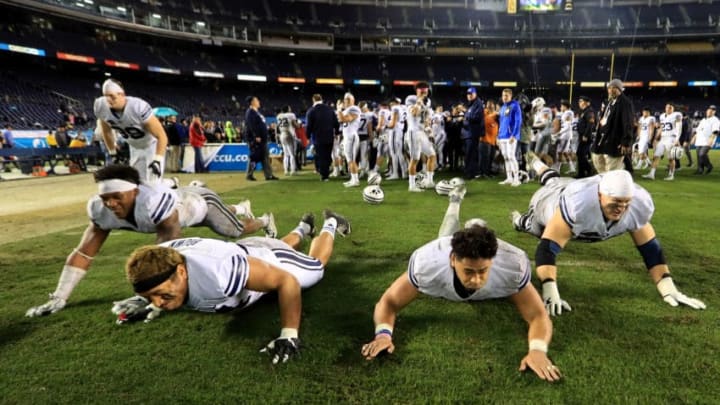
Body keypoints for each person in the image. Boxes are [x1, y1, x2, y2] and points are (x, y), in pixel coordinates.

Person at [361, 184, 561, 382]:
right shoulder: (428, 262)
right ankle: (454, 202)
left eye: (483, 271)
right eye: (468, 271)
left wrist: (537, 351)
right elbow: (388, 302)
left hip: (492, 260)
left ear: (492, 260)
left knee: (478, 232)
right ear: (452, 259)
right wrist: (383, 335)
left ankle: (476, 226)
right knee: (446, 236)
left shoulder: (512, 264)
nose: (476, 280)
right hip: (443, 249)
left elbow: (537, 315)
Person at [25, 164, 278, 317]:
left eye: (117, 197)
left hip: (199, 203)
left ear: (134, 191)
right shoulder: (100, 209)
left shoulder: (152, 202)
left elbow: (167, 251)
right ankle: (236, 206)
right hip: (180, 205)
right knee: (225, 223)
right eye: (106, 198)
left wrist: (146, 294)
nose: (111, 204)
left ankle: (264, 221)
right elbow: (83, 253)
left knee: (234, 231)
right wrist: (60, 296)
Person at [123, 209, 352, 364]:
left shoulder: (220, 271)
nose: (158, 302)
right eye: (149, 296)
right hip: (246, 251)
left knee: (315, 266)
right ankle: (302, 228)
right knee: (275, 247)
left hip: (270, 259)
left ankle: (331, 222)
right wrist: (146, 301)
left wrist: (289, 334)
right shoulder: (162, 261)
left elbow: (286, 280)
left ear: (181, 272)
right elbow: (155, 273)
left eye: (159, 295)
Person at [511, 156, 706, 316]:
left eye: (625, 202)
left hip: (574, 188)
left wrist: (667, 286)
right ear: (599, 196)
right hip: (548, 201)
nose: (621, 208)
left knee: (554, 179)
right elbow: (548, 248)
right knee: (538, 224)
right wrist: (549, 287)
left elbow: (651, 249)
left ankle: (536, 163)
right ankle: (523, 215)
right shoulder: (578, 205)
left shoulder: (637, 204)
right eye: (615, 202)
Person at [93, 79, 170, 184]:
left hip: (152, 145)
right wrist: (113, 152)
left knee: (153, 184)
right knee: (136, 183)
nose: (109, 100)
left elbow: (162, 136)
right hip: (134, 146)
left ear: (122, 94)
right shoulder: (101, 106)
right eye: (106, 96)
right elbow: (106, 131)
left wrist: (157, 159)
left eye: (112, 96)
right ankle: (170, 183)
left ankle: (169, 184)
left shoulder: (138, 107)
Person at [591, 79, 634, 173]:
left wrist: (626, 141)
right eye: (609, 88)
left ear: (619, 89)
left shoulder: (625, 103)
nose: (610, 90)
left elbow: (628, 123)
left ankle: (614, 185)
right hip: (602, 139)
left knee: (612, 169)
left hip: (614, 140)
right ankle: (604, 183)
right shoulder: (609, 102)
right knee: (597, 161)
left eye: (613, 88)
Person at [405, 81, 437, 191]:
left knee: (432, 155)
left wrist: (430, 132)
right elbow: (414, 113)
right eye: (421, 89)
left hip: (422, 132)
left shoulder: (428, 102)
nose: (424, 91)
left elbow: (426, 120)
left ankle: (429, 181)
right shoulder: (411, 99)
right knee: (415, 159)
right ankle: (412, 185)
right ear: (417, 90)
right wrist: (419, 101)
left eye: (426, 89)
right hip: (413, 131)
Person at [643, 103, 683, 181]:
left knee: (671, 158)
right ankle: (652, 174)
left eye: (670, 107)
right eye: (667, 107)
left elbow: (679, 128)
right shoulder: (662, 116)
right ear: (665, 108)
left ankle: (671, 175)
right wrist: (657, 137)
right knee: (656, 156)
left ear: (673, 109)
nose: (668, 109)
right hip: (663, 138)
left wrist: (677, 139)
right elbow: (662, 127)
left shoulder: (676, 115)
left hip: (671, 138)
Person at [245, 96, 279, 181]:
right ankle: (249, 174)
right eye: (257, 100)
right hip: (257, 139)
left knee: (265, 157)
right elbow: (251, 125)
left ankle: (269, 175)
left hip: (262, 139)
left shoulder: (256, 112)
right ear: (252, 102)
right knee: (254, 157)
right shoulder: (250, 112)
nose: (259, 102)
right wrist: (256, 136)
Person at [305, 94, 338, 181]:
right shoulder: (330, 109)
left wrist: (307, 136)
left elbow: (308, 126)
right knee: (327, 156)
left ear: (313, 100)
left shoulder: (311, 111)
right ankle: (326, 171)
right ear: (321, 99)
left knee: (321, 156)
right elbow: (336, 123)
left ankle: (324, 175)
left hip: (318, 137)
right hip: (329, 136)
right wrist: (337, 132)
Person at [497, 88, 523, 186]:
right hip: (502, 136)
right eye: (503, 95)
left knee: (511, 156)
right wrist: (498, 136)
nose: (504, 97)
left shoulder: (515, 106)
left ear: (511, 96)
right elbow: (501, 123)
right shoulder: (503, 107)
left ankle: (516, 179)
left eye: (506, 95)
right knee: (505, 157)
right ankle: (509, 178)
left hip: (511, 136)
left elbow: (518, 121)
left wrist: (514, 135)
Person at [336, 92, 362, 187]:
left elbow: (344, 119)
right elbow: (339, 119)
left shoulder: (354, 108)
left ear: (351, 100)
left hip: (351, 136)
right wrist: (340, 111)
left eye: (347, 99)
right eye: (344, 99)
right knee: (349, 159)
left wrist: (339, 110)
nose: (344, 101)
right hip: (347, 136)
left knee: (351, 160)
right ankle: (353, 179)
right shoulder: (347, 110)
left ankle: (355, 180)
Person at [461, 87, 484, 179]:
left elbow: (477, 117)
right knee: (468, 154)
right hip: (468, 133)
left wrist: (465, 117)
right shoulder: (471, 104)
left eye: (471, 94)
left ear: (475, 94)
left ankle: (471, 173)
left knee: (471, 154)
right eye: (468, 94)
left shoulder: (478, 104)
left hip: (473, 133)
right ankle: (469, 172)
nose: (469, 95)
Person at [691, 104, 719, 175]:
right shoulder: (703, 120)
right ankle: (700, 169)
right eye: (709, 110)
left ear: (714, 112)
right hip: (699, 140)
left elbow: (715, 131)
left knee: (702, 154)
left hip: (707, 140)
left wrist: (711, 139)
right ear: (707, 111)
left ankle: (709, 166)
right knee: (698, 155)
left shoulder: (715, 120)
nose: (711, 111)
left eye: (713, 110)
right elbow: (698, 130)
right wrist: (694, 138)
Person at [575, 96, 596, 178]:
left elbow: (590, 124)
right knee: (580, 154)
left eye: (581, 101)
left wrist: (585, 135)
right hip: (582, 135)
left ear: (587, 103)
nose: (579, 103)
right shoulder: (583, 111)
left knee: (581, 154)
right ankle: (582, 173)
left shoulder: (589, 111)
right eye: (579, 101)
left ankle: (588, 170)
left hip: (585, 136)